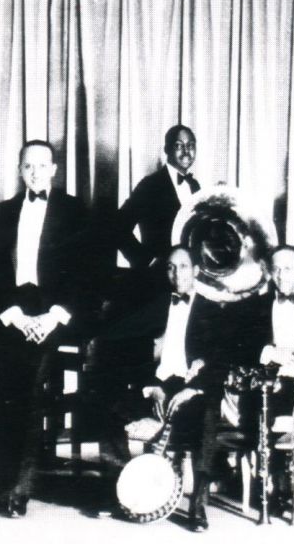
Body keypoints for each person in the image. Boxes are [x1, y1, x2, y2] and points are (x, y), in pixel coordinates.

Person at [0, 140, 89, 518]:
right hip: (16, 313)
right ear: (19, 170)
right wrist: (16, 316)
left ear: (54, 170)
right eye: (28, 166)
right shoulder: (5, 211)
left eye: (42, 166)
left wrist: (51, 318)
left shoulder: (74, 210)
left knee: (27, 392)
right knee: (1, 393)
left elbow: (84, 273)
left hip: (55, 315)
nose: (35, 173)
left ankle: (17, 490)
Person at [96, 245, 221, 532]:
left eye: (184, 266)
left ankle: (198, 505)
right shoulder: (155, 305)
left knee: (207, 416)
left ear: (196, 271)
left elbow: (220, 359)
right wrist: (150, 386)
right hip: (158, 386)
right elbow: (128, 348)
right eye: (171, 267)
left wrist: (193, 389)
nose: (177, 274)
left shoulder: (211, 310)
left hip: (190, 390)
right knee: (109, 408)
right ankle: (120, 490)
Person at [231, 246, 294, 526]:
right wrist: (269, 352)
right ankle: (276, 490)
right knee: (262, 415)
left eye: (288, 268)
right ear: (268, 272)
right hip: (271, 381)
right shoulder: (254, 306)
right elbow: (240, 348)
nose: (281, 274)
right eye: (276, 268)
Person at [115, 125, 200, 271]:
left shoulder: (195, 185)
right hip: (158, 277)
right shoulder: (150, 185)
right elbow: (118, 226)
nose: (186, 151)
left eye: (190, 145)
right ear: (167, 149)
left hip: (187, 276)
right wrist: (146, 261)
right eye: (179, 146)